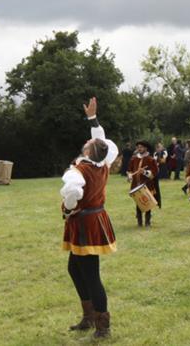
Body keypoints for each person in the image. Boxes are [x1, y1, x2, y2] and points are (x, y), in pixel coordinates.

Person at [61, 97, 118, 339]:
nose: (88, 140)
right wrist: (92, 119)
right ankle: (88, 317)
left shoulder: (79, 170)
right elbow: (102, 141)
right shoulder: (102, 161)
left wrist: (68, 206)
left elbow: (73, 192)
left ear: (88, 151)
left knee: (90, 274)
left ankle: (102, 325)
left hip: (85, 222)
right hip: (92, 220)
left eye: (89, 141)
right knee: (75, 268)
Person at [127, 140, 160, 227]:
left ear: (145, 148)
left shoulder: (150, 159)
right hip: (136, 185)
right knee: (138, 203)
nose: (139, 149)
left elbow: (155, 172)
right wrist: (130, 175)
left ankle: (147, 222)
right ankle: (139, 222)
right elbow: (130, 170)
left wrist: (145, 172)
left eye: (141, 147)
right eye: (138, 147)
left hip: (147, 185)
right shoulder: (134, 159)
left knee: (147, 202)